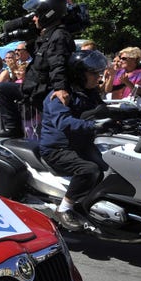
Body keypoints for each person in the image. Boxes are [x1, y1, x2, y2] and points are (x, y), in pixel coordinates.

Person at [39, 50, 110, 231]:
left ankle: (90, 207)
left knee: (111, 167)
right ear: (79, 74)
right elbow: (64, 122)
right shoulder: (59, 96)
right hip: (57, 149)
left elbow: (101, 110)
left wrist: (127, 113)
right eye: (93, 73)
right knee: (90, 170)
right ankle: (64, 208)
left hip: (80, 145)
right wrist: (94, 126)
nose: (98, 77)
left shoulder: (88, 93)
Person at [0, 0, 76, 138]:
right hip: (34, 88)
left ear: (48, 15)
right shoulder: (47, 35)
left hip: (44, 91)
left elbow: (58, 62)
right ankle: (13, 128)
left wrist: (60, 87)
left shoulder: (59, 36)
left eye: (37, 14)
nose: (34, 18)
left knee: (52, 134)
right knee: (1, 88)